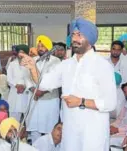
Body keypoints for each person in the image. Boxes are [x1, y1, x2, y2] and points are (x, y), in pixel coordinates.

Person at [19, 18, 117, 151]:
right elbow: (43, 84)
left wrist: (81, 102)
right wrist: (32, 68)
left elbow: (110, 103)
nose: (75, 39)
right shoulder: (65, 65)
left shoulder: (103, 65)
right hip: (70, 132)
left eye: (79, 35)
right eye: (73, 35)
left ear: (90, 39)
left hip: (93, 133)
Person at [26, 35, 61, 143]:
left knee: (49, 127)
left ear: (49, 48)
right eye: (38, 46)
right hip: (34, 99)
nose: (40, 48)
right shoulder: (33, 60)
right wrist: (34, 90)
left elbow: (56, 80)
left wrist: (42, 92)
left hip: (49, 100)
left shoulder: (56, 61)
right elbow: (27, 77)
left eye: (43, 46)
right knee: (35, 128)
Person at [110, 82, 127, 151]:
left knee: (108, 140)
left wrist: (117, 130)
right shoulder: (126, 104)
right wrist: (111, 126)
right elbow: (119, 119)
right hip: (120, 132)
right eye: (125, 92)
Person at [7, 44, 30, 122]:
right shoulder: (12, 64)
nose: (21, 54)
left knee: (28, 118)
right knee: (14, 118)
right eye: (19, 52)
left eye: (23, 52)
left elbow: (32, 78)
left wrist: (24, 86)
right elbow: (9, 78)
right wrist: (16, 85)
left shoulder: (31, 64)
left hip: (26, 92)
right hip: (14, 92)